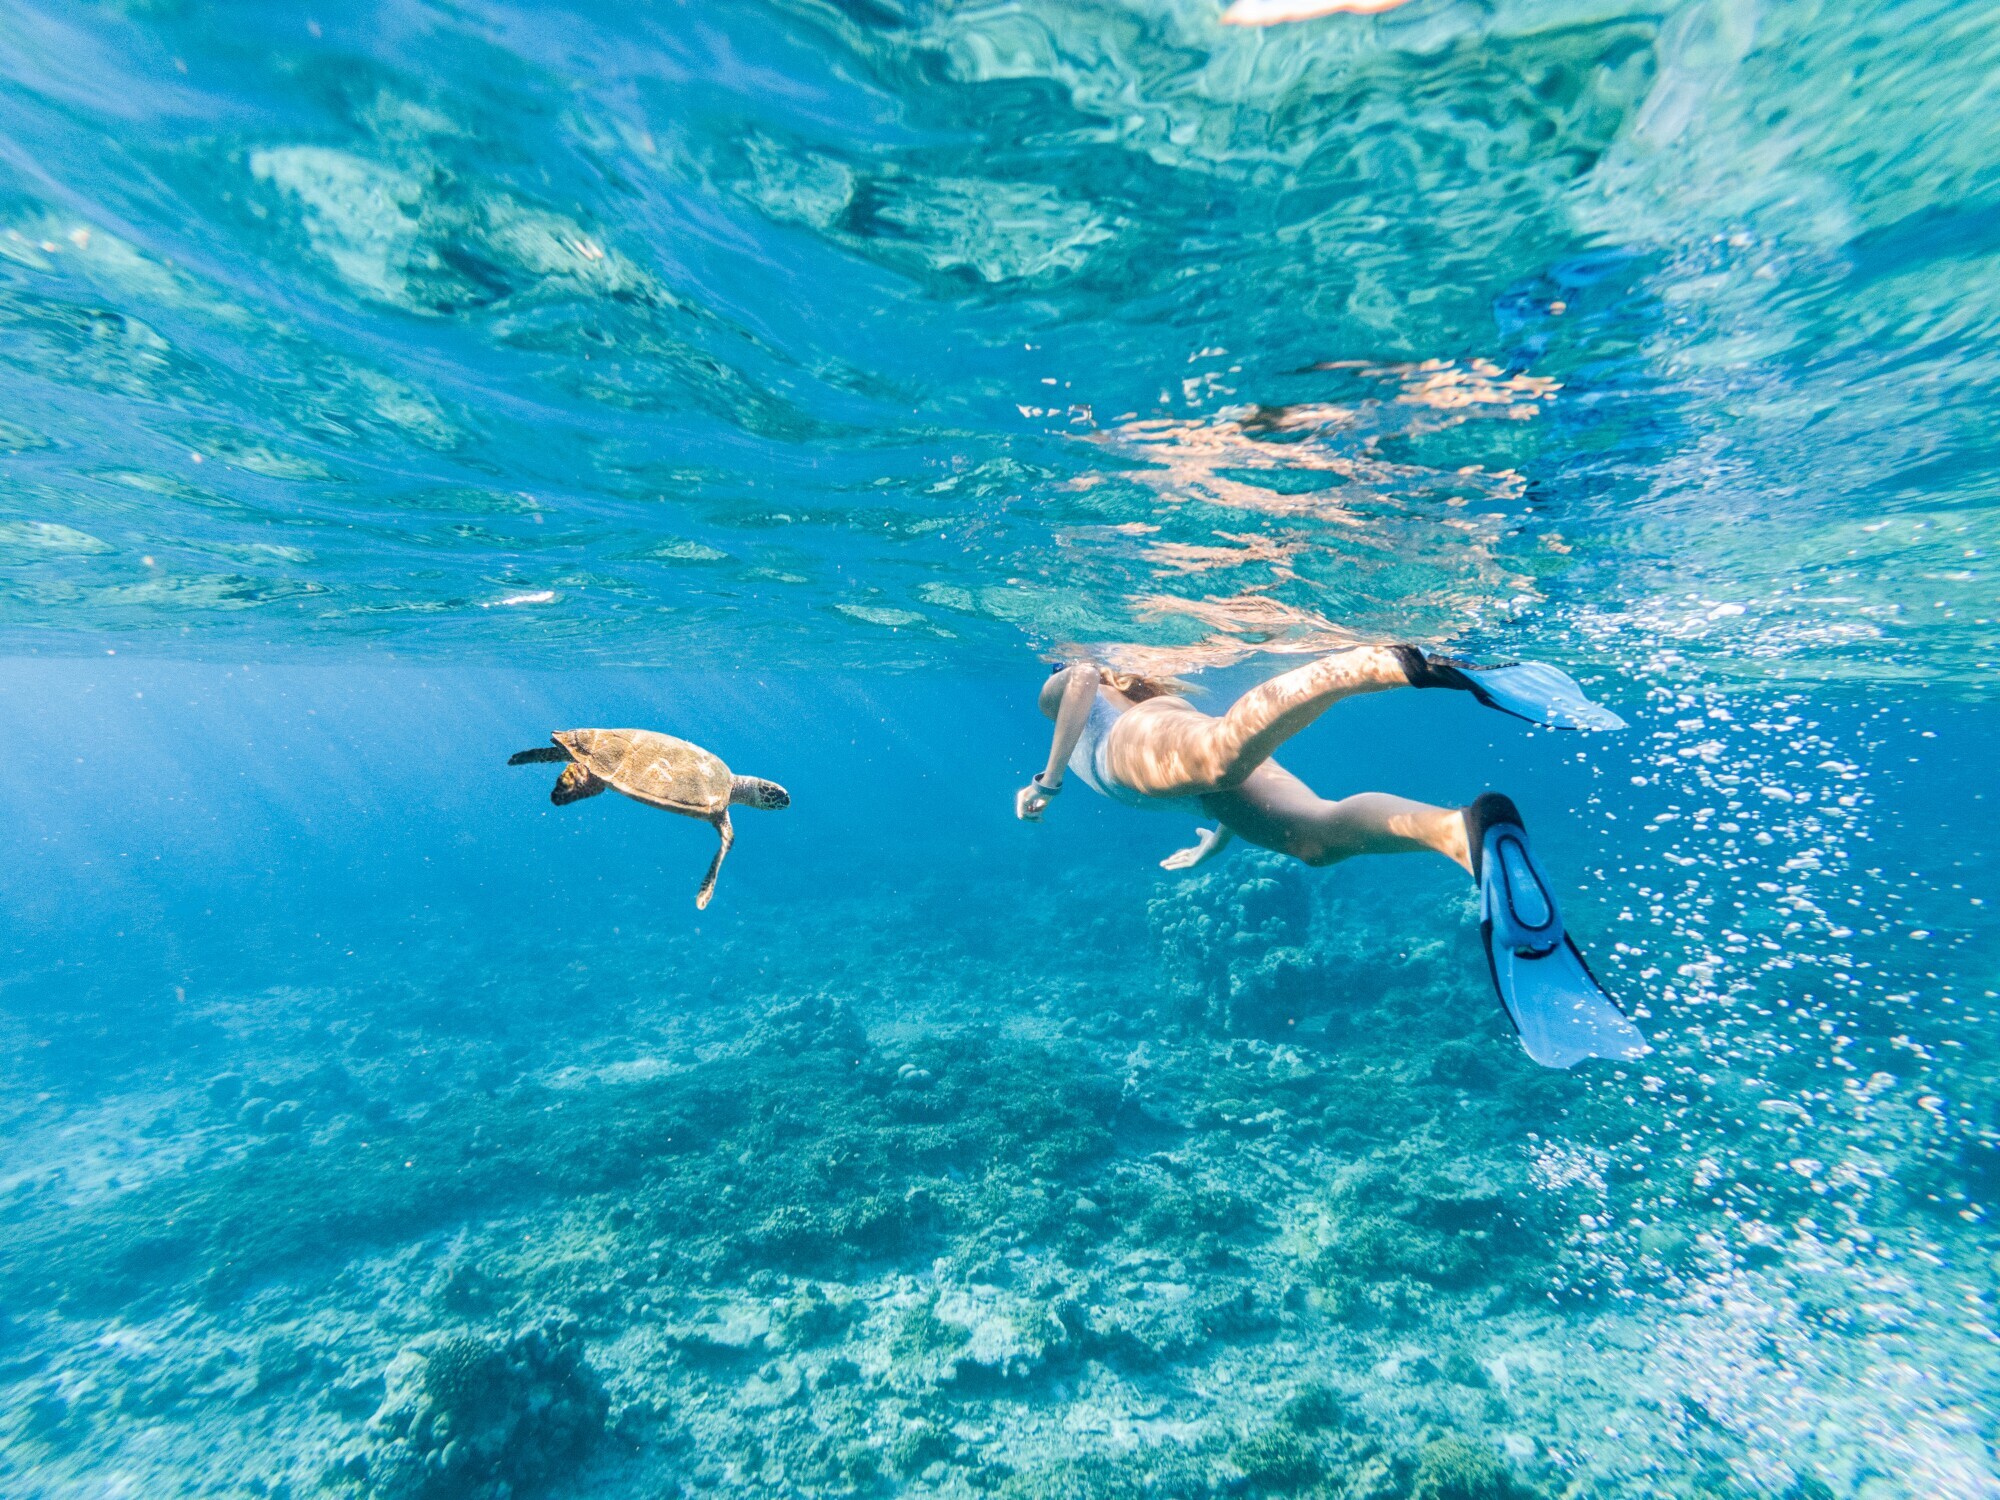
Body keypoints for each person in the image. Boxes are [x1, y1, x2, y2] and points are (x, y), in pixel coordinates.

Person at [1015, 646, 1648, 1068]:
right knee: (1313, 839)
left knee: (1218, 751)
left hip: (1131, 751)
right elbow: (1202, 792)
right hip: (1163, 764)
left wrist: (1047, 782)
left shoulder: (1061, 687)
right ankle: (1461, 834)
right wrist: (1216, 842)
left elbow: (1076, 677)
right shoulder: (1150, 704)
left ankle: (1399, 661)